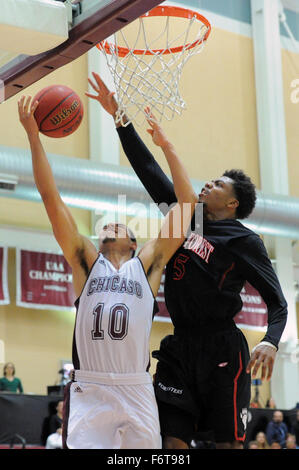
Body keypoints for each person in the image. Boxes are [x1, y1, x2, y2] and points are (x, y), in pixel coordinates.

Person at [85, 73, 288, 449]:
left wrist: (271, 342)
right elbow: (149, 172)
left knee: (225, 445)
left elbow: (278, 301)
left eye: (219, 185)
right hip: (180, 346)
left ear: (232, 204)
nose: (208, 184)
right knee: (171, 443)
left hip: (222, 349)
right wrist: (120, 118)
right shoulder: (187, 219)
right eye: (210, 180)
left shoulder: (245, 241)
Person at [18, 96, 198, 449]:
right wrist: (33, 137)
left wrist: (167, 146)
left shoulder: (147, 265)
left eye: (119, 223)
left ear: (134, 243)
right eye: (106, 224)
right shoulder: (86, 261)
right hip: (91, 387)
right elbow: (50, 197)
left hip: (135, 385)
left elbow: (188, 205)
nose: (110, 224)